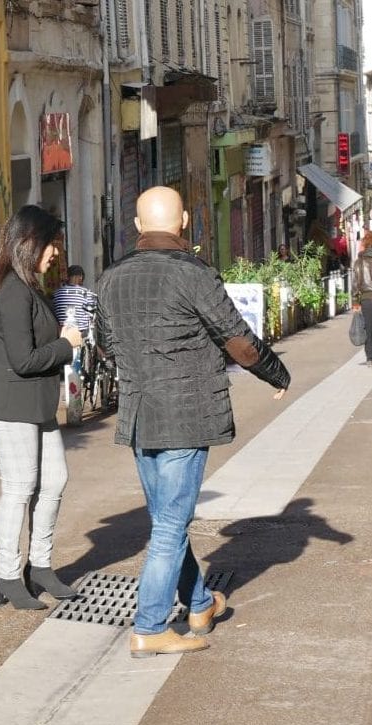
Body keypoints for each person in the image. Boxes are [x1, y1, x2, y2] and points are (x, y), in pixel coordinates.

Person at [95, 187, 290, 658]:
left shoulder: (110, 279)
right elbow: (237, 339)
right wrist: (275, 373)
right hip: (186, 412)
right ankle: (149, 625)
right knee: (169, 525)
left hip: (141, 414)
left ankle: (200, 604)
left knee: (167, 519)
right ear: (183, 221)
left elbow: (104, 346)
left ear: (139, 227)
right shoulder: (194, 274)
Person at [0, 205, 83, 610]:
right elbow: (24, 359)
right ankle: (7, 575)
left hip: (31, 401)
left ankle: (40, 566)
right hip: (9, 401)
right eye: (51, 244)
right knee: (19, 489)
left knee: (54, 480)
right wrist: (67, 345)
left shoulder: (24, 282)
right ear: (29, 243)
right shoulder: (14, 290)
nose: (56, 252)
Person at [51, 265, 96, 336]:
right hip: (80, 334)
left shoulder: (56, 293)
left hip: (61, 334)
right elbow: (92, 316)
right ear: (81, 277)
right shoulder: (87, 293)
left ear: (68, 277)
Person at [353, 232, 372, 365]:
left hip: (366, 299)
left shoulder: (359, 262)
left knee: (368, 328)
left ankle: (370, 357)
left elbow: (355, 284)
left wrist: (355, 303)